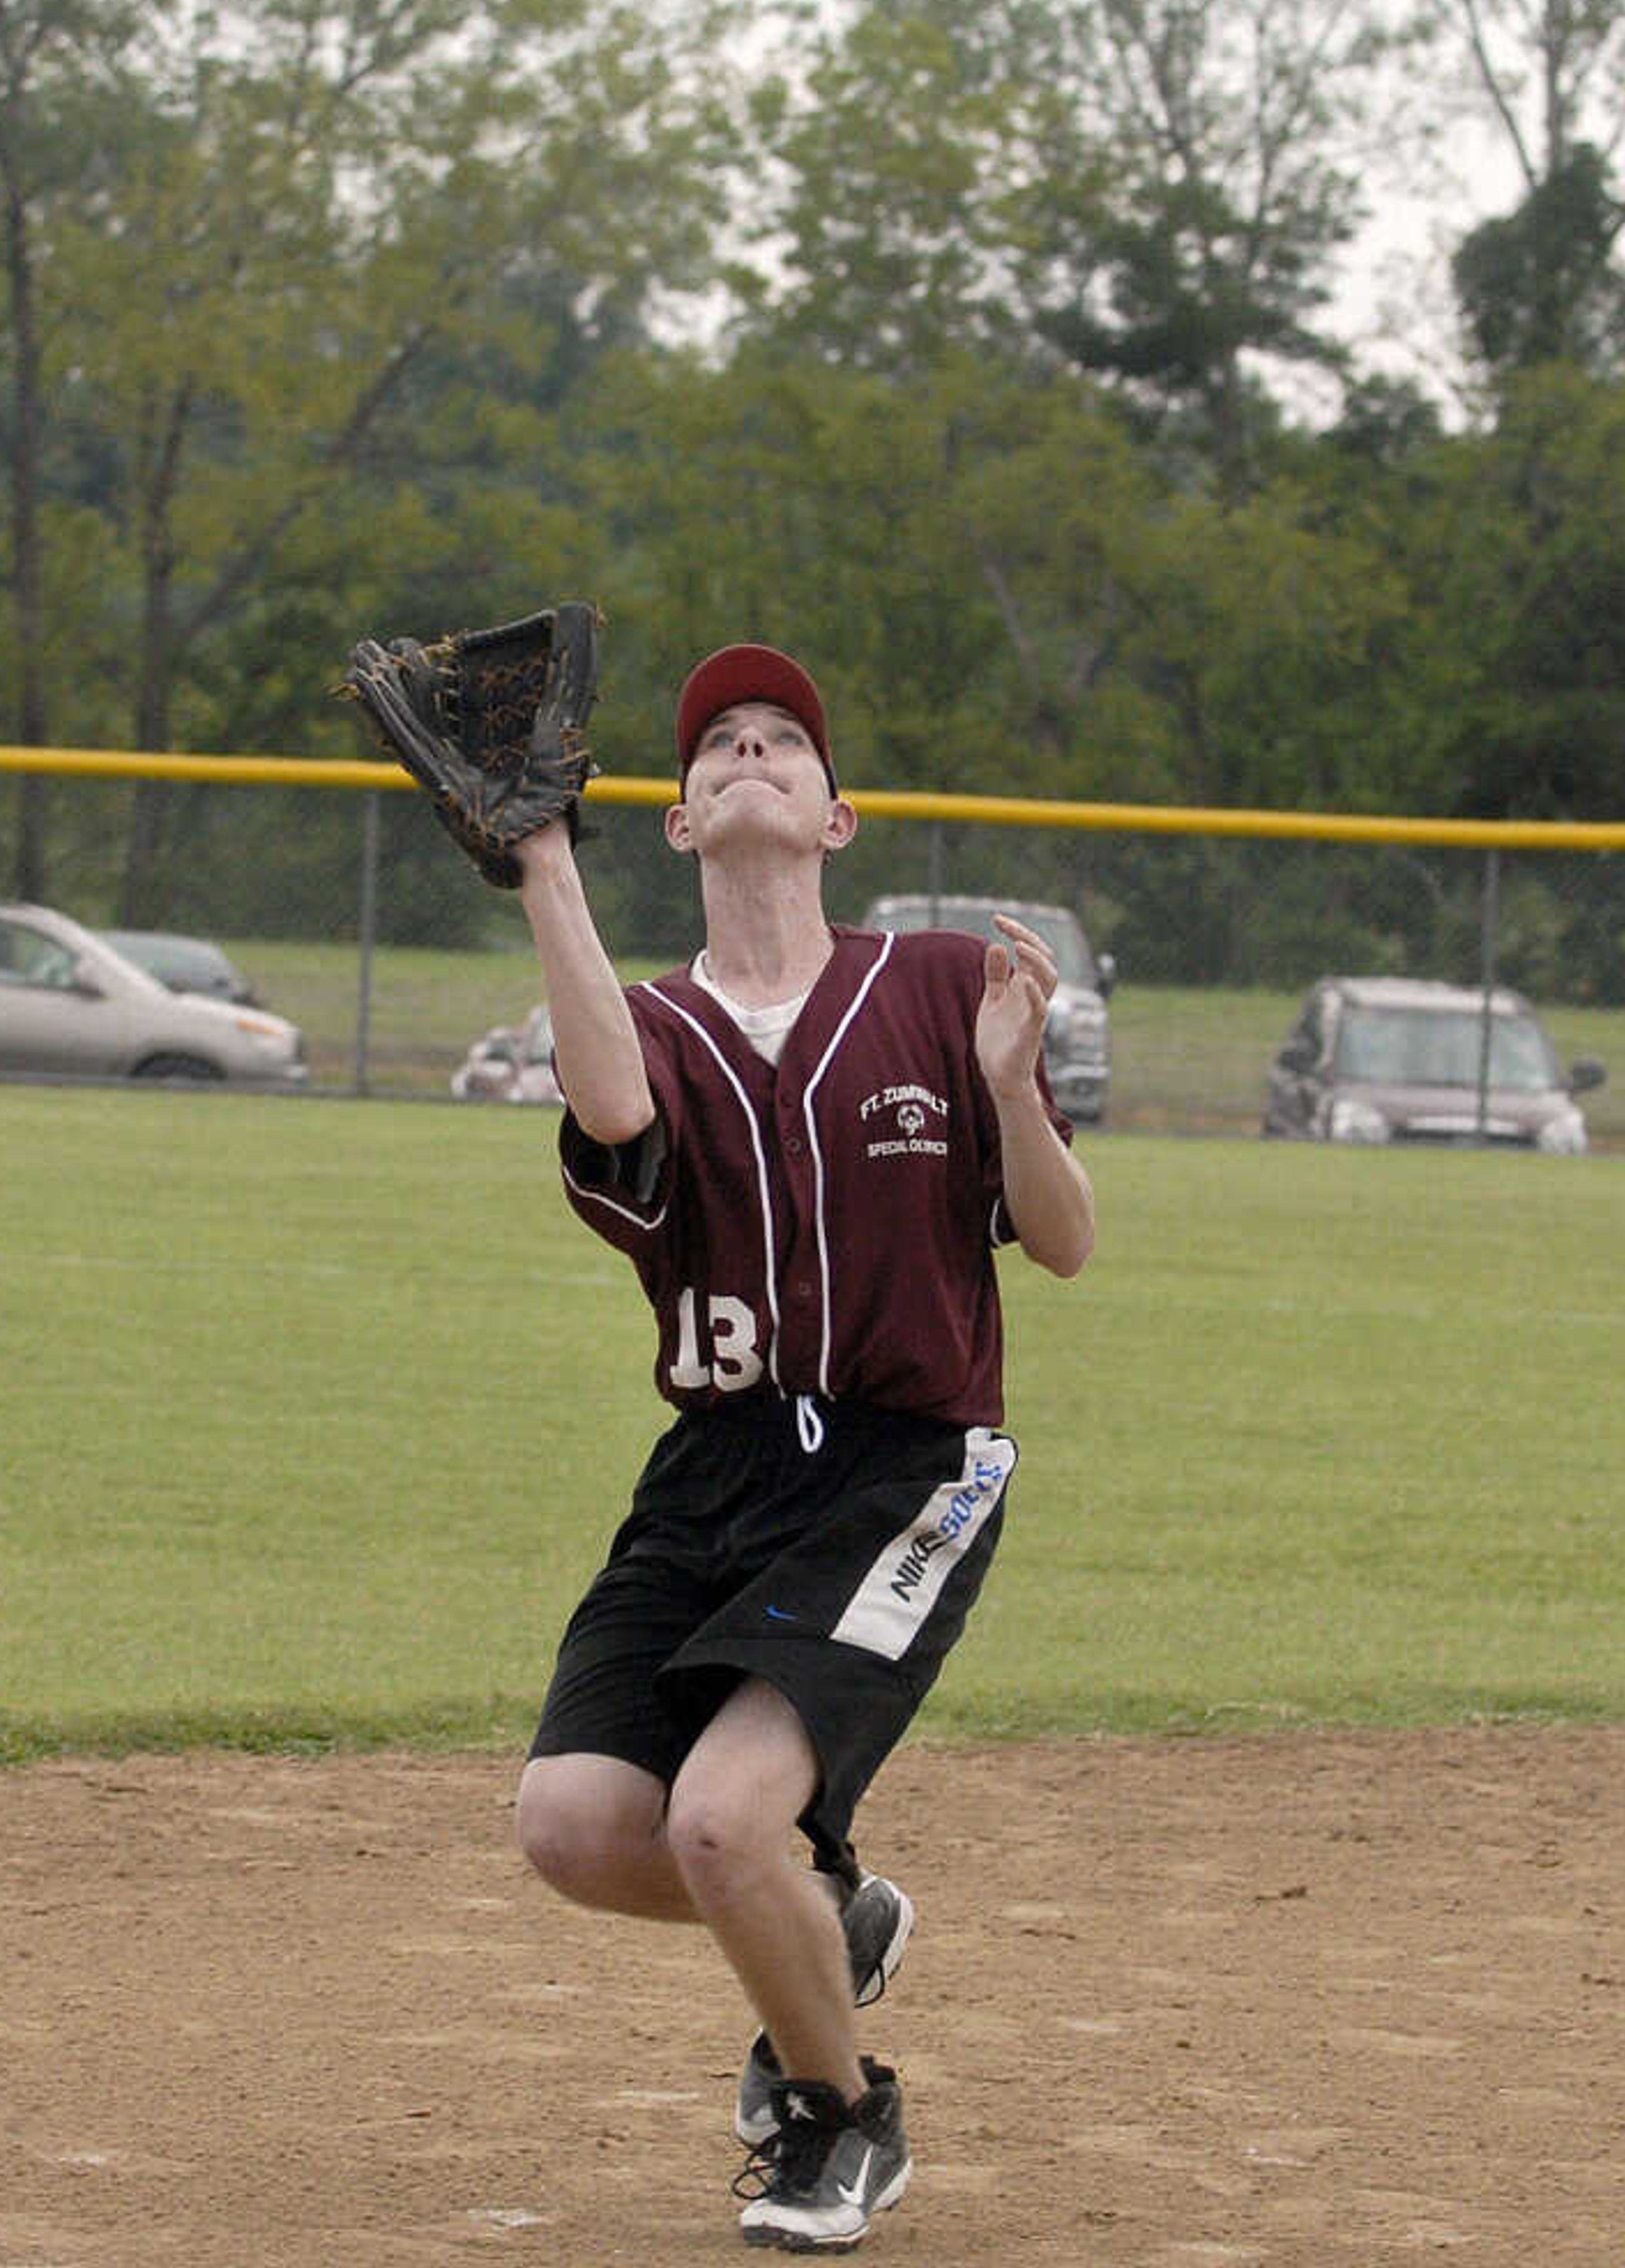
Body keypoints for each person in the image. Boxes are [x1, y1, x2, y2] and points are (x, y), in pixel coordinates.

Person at [509, 641, 1095, 2251]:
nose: (750, 754)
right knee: (571, 1822)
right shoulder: (647, 1021)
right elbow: (617, 1112)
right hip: (716, 1469)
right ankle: (837, 1913)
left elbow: (1062, 1241)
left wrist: (1009, 1090)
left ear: (838, 817)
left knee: (717, 1819)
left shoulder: (935, 985)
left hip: (909, 1463)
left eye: (783, 743)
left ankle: (844, 2114)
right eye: (716, 750)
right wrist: (544, 855)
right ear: (685, 822)